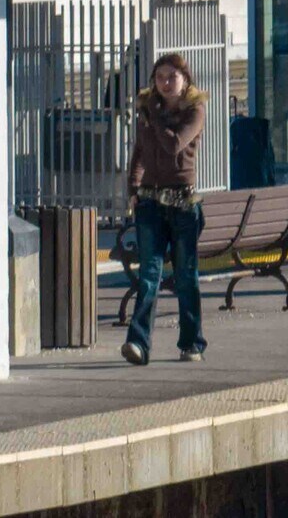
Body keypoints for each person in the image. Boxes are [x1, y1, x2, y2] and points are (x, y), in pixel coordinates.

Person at [121, 53, 207, 367]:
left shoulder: (194, 110)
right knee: (149, 276)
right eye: (160, 78)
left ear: (185, 79)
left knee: (186, 276)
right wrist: (133, 188)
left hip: (183, 204)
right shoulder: (149, 112)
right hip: (151, 203)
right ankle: (138, 343)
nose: (166, 83)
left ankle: (192, 342)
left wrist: (154, 116)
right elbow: (140, 152)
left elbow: (173, 146)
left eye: (172, 77)